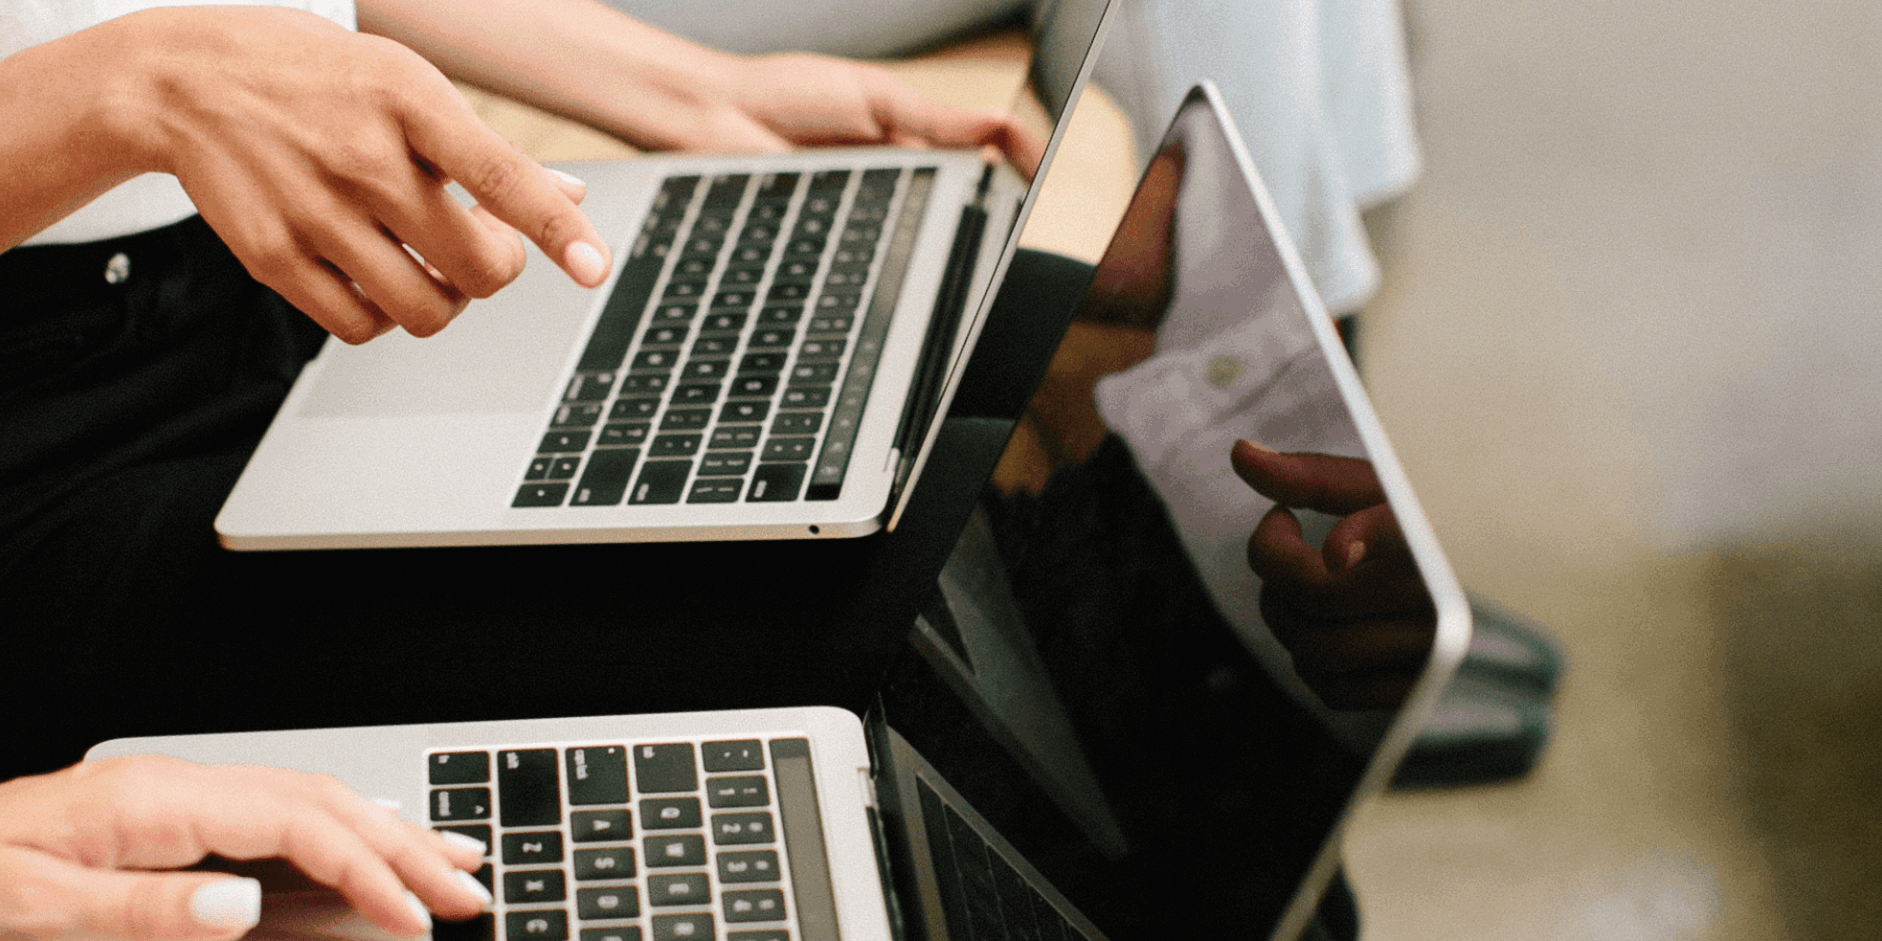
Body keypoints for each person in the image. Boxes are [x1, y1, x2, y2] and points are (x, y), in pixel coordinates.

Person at [2, 0, 1044, 929]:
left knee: (971, 404)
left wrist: (690, 89)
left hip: (278, 257)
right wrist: (133, 84)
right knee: (892, 596)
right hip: (50, 442)